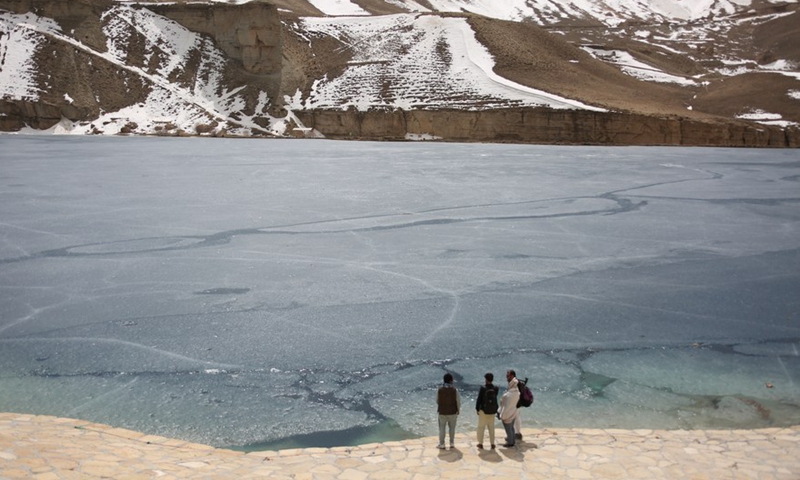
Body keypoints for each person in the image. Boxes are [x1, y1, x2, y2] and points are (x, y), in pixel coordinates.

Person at [436, 372, 461, 449]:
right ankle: (451, 443)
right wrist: (458, 410)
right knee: (452, 428)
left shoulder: (439, 390)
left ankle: (442, 443)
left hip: (442, 412)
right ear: (451, 381)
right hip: (452, 412)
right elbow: (458, 401)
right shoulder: (454, 390)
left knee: (442, 428)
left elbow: (437, 400)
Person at [475, 372, 498, 450]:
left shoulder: (483, 388)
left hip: (483, 411)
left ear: (486, 379)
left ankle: (480, 443)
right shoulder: (495, 388)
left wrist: (477, 409)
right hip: (492, 411)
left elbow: (479, 399)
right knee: (491, 427)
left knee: (481, 427)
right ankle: (492, 444)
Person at [499, 369, 520, 447]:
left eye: (507, 376)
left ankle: (510, 442)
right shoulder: (517, 392)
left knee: (508, 427)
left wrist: (501, 414)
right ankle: (512, 439)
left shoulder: (508, 395)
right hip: (514, 411)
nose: (506, 377)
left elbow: (504, 404)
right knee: (511, 427)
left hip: (508, 413)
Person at [507, 369, 523, 440]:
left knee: (513, 419)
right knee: (516, 418)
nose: (506, 377)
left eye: (508, 375)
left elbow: (514, 393)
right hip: (517, 403)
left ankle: (514, 435)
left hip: (516, 403)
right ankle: (517, 434)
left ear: (512, 375)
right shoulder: (514, 382)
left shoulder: (514, 383)